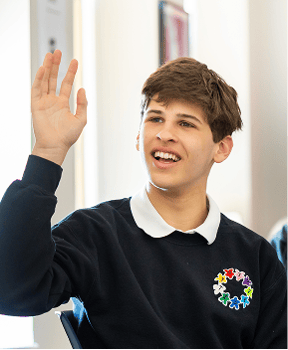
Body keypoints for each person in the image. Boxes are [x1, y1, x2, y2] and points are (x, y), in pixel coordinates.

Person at [0, 49, 287, 349]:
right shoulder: (93, 233)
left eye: (185, 123)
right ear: (138, 136)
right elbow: (10, 290)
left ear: (222, 148)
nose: (165, 133)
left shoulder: (257, 258)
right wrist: (47, 153)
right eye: (155, 118)